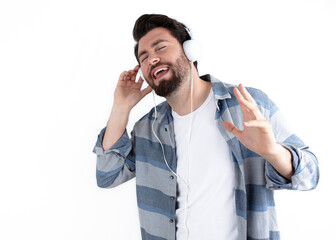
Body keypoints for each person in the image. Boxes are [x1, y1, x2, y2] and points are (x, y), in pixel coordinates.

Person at [93, 14, 319, 240]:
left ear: (190, 50)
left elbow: (311, 175)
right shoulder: (147, 129)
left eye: (160, 47)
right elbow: (107, 175)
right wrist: (121, 107)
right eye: (144, 57)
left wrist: (272, 151)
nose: (152, 59)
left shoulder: (248, 105)